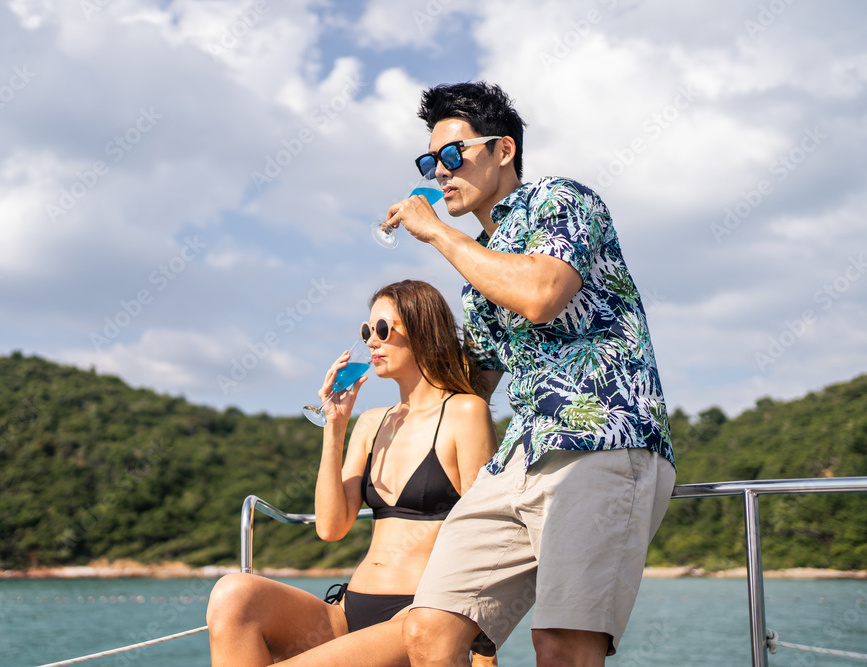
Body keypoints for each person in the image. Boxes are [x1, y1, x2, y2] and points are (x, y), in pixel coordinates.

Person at [382, 82, 678, 666]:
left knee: (563, 644)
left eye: (452, 155)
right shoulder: (480, 269)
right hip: (519, 455)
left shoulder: (561, 198)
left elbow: (542, 293)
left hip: (601, 439)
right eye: (428, 161)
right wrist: (398, 368)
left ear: (503, 150)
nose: (439, 173)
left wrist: (438, 232)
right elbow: (478, 381)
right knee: (428, 631)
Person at [206, 279, 499, 666]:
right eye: (366, 331)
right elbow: (331, 527)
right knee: (233, 595)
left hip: (417, 616)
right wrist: (335, 426)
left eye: (382, 330)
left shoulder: (465, 413)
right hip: (348, 613)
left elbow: (487, 531)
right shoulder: (371, 424)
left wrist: (483, 647)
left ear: (424, 334)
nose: (371, 342)